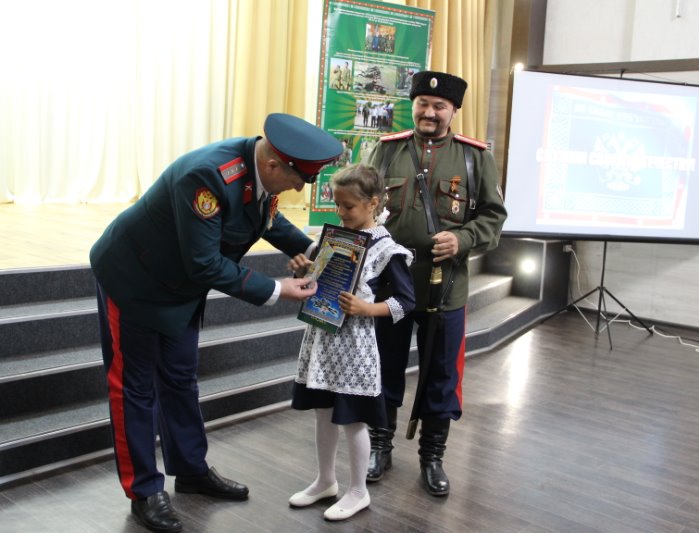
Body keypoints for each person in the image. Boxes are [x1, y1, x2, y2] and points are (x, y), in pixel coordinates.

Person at [90, 113, 342, 533]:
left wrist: (313, 249)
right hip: (134, 281)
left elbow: (266, 217)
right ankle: (144, 490)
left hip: (179, 287)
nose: (300, 189)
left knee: (180, 378)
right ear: (273, 164)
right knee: (134, 388)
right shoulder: (207, 177)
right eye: (298, 180)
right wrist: (276, 288)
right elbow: (205, 263)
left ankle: (190, 469)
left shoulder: (258, 169)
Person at [364, 71, 508, 496]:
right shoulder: (387, 150)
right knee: (382, 365)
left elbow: (493, 216)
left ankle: (432, 457)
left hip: (444, 286)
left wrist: (463, 238)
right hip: (389, 285)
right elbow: (364, 204)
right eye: (423, 104)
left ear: (454, 111)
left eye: (439, 106)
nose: (430, 112)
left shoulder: (474, 158)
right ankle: (379, 447)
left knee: (441, 373)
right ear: (413, 106)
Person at [288, 164, 415, 521]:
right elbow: (315, 282)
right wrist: (303, 271)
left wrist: (368, 308)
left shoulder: (387, 250)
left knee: (354, 418)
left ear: (373, 203)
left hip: (356, 347)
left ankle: (358, 490)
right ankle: (325, 480)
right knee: (323, 412)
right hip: (322, 339)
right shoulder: (330, 239)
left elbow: (406, 302)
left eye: (349, 206)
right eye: (337, 205)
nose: (341, 212)